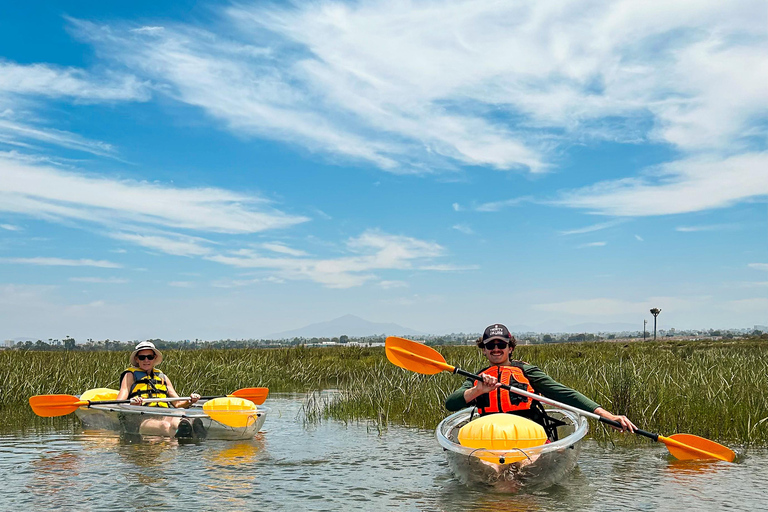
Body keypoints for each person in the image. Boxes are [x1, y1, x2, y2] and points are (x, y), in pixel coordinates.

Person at [444, 324, 636, 439]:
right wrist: (477, 391)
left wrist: (608, 415)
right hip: (490, 436)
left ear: (510, 348)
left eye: (501, 344)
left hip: (528, 434)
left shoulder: (527, 371)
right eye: (490, 345)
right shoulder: (478, 377)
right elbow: (451, 403)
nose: (496, 349)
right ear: (483, 350)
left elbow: (565, 394)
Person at [116, 341, 204, 439]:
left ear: (155, 358)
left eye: (149, 357)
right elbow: (119, 403)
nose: (146, 360)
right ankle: (183, 436)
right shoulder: (130, 375)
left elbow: (178, 404)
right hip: (140, 418)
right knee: (165, 425)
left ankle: (190, 429)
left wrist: (190, 401)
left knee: (179, 412)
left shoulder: (163, 377)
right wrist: (132, 404)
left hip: (163, 413)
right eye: (142, 357)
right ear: (137, 359)